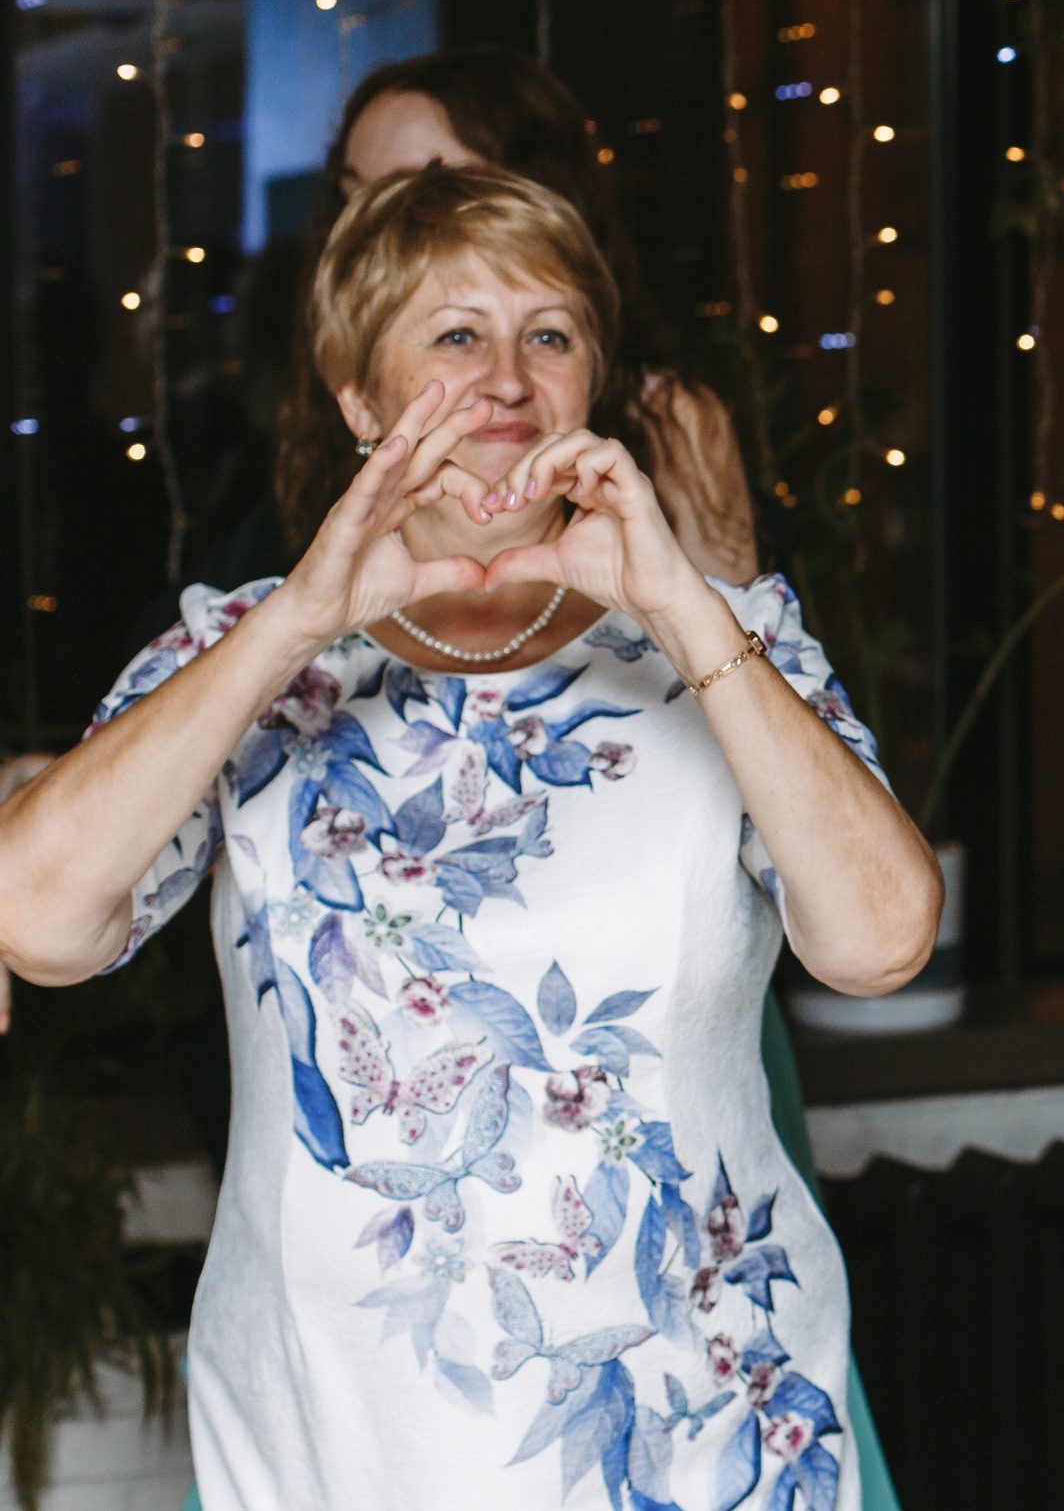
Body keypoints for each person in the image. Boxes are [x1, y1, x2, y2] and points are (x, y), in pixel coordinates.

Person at [0, 165, 941, 1509]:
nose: (508, 374)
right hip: (339, 1435)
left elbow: (880, 939)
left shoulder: (725, 637)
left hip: (693, 1423)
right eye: (455, 334)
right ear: (358, 397)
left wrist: (680, 599)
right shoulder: (237, 646)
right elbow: (37, 918)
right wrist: (296, 618)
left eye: (549, 334)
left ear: (589, 385)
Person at [279, 45, 759, 586]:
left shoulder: (667, 418)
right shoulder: (329, 413)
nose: (376, 222)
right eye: (356, 192)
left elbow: (736, 625)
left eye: (422, 189)